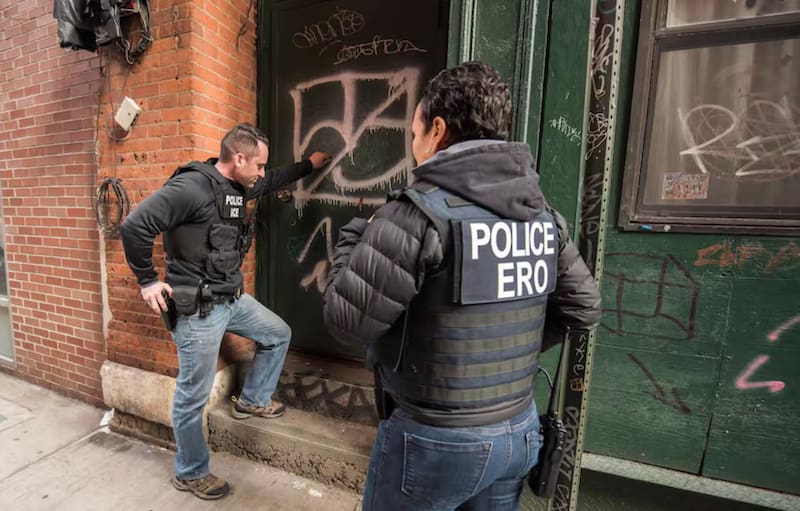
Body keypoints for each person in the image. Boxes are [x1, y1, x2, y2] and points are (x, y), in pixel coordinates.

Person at [322, 62, 601, 511]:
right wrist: (508, 353)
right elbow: (583, 307)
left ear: (437, 130)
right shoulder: (543, 217)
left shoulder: (418, 215)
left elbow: (345, 321)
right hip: (518, 429)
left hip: (435, 442)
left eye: (414, 135)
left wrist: (355, 235)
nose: (414, 148)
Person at [120, 123, 331, 501]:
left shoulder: (239, 185)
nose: (264, 173)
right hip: (199, 310)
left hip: (231, 299)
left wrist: (309, 165)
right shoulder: (191, 188)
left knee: (277, 333)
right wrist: (148, 280)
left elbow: (275, 178)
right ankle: (190, 472)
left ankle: (252, 399)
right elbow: (135, 225)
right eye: (260, 165)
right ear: (239, 158)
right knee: (192, 395)